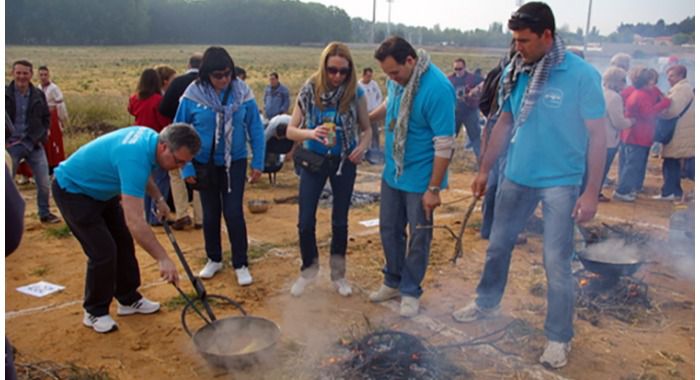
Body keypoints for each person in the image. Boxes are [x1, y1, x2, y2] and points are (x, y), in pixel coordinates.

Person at [451, 3, 607, 369]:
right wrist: (485, 169)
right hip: (516, 175)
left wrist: (590, 192)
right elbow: (504, 121)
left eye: (524, 40)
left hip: (561, 182)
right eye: (515, 40)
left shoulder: (581, 74)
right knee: (498, 246)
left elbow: (598, 136)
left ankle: (557, 337)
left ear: (547, 36)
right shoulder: (518, 70)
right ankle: (486, 302)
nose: (517, 46)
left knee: (556, 261)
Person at [52, 124, 200, 333]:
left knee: (122, 241)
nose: (180, 167)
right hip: (73, 191)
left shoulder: (151, 141)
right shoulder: (134, 156)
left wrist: (158, 198)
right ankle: (94, 311)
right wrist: (163, 258)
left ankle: (128, 298)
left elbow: (143, 173)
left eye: (185, 163)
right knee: (103, 251)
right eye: (178, 161)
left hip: (102, 192)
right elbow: (136, 221)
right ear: (164, 147)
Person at [367, 37, 455, 317]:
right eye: (387, 74)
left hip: (420, 179)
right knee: (389, 229)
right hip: (393, 172)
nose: (391, 78)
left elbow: (445, 143)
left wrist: (434, 188)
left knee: (419, 236)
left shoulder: (437, 88)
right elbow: (391, 105)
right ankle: (392, 280)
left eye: (395, 73)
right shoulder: (398, 80)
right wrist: (368, 118)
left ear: (410, 60)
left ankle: (410, 289)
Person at [285, 42, 372, 297]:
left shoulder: (355, 93)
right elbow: (290, 130)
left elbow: (366, 129)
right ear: (324, 67)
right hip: (314, 161)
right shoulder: (310, 90)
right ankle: (308, 271)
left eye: (343, 71)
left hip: (344, 162)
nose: (337, 76)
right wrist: (311, 132)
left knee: (340, 221)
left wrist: (362, 147)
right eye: (332, 70)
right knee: (305, 221)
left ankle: (338, 275)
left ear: (350, 70)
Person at [175, 46, 265, 286]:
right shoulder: (192, 94)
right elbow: (179, 132)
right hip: (204, 163)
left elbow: (255, 128)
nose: (224, 79)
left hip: (234, 162)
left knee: (233, 212)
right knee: (211, 214)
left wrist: (258, 161)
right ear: (206, 74)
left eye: (228, 74)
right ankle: (213, 258)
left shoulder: (243, 92)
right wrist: (186, 167)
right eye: (218, 75)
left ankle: (241, 263)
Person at [6, 59, 61, 224]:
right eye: (18, 73)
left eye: (25, 73)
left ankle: (44, 213)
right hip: (10, 146)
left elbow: (46, 117)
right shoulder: (5, 95)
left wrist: (41, 135)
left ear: (31, 75)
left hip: (33, 144)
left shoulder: (38, 95)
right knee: (5, 185)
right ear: (12, 73)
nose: (22, 76)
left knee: (44, 182)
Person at [159, 53, 204, 230]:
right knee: (200, 178)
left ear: (189, 64)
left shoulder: (178, 82)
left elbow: (163, 108)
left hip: (178, 137)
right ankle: (201, 218)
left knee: (176, 176)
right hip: (200, 139)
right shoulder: (205, 85)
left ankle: (182, 214)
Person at [613, 68, 670, 202]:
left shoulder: (646, 91)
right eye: (652, 81)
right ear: (645, 81)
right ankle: (622, 191)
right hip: (636, 136)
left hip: (641, 135)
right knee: (632, 165)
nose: (654, 83)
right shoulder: (640, 95)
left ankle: (631, 187)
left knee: (635, 164)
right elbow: (648, 113)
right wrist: (664, 103)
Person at [128, 68, 173, 225]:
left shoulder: (135, 98)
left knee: (147, 180)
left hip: (138, 141)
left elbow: (131, 111)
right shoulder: (158, 100)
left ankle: (148, 213)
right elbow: (163, 123)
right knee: (160, 178)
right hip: (156, 142)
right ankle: (157, 216)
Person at [655, 65, 694, 200]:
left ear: (681, 75)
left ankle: (670, 192)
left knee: (671, 162)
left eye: (671, 76)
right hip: (680, 130)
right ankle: (673, 191)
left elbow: (672, 111)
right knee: (675, 162)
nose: (668, 79)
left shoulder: (681, 90)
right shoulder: (683, 88)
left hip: (678, 131)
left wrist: (657, 111)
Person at [600, 67, 634, 202]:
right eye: (623, 80)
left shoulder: (602, 93)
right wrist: (631, 121)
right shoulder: (614, 97)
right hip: (609, 139)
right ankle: (596, 193)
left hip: (599, 137)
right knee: (603, 168)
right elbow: (618, 122)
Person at [448, 57, 482, 158]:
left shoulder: (473, 78)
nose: (458, 71)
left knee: (476, 140)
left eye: (460, 69)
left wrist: (475, 91)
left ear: (465, 68)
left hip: (470, 112)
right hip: (455, 113)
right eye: (456, 69)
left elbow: (486, 83)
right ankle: (444, 165)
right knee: (449, 140)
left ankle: (483, 167)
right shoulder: (449, 80)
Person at [37, 66, 68, 174]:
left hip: (53, 117)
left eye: (45, 75)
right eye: (41, 75)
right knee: (45, 141)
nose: (43, 77)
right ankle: (47, 165)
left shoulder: (54, 88)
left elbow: (60, 104)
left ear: (49, 75)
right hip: (42, 117)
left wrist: (61, 119)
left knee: (54, 141)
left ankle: (55, 166)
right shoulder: (39, 88)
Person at [357, 67, 384, 164]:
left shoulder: (374, 84)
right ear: (363, 75)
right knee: (360, 133)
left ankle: (374, 152)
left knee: (375, 132)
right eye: (368, 76)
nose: (369, 78)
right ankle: (361, 152)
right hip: (363, 112)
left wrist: (377, 106)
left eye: (371, 76)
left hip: (374, 111)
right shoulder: (358, 86)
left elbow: (379, 95)